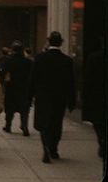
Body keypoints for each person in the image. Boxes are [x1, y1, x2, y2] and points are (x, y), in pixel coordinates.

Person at [30, 31, 75, 163]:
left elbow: (33, 79)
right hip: (59, 98)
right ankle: (53, 149)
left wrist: (29, 95)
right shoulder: (67, 61)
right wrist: (71, 100)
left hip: (43, 97)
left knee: (44, 123)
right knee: (56, 123)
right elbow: (70, 82)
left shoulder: (39, 58)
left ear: (48, 41)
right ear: (61, 43)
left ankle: (45, 148)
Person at [82, 37, 106, 168]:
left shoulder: (94, 58)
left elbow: (88, 79)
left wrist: (85, 96)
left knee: (98, 122)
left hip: (97, 95)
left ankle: (102, 140)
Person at [1, 41, 33, 135]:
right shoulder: (28, 62)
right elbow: (31, 75)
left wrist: (3, 84)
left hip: (11, 88)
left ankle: (8, 125)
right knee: (24, 109)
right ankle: (24, 126)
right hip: (24, 88)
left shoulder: (8, 61)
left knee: (10, 108)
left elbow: (3, 74)